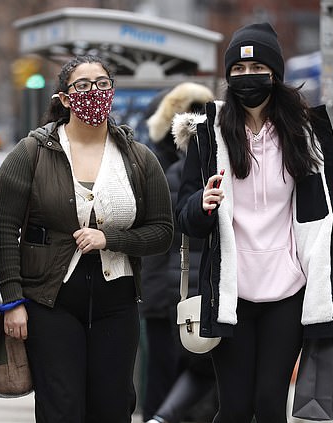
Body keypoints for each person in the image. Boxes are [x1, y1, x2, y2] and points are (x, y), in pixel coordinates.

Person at [172, 23, 333, 423]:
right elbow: (184, 217)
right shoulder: (209, 134)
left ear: (274, 72)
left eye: (256, 67)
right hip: (230, 291)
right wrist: (202, 204)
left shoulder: (305, 134)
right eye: (237, 70)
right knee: (236, 407)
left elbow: (323, 219)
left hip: (287, 291)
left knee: (271, 404)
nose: (246, 77)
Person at [0, 54, 173, 423]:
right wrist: (13, 299)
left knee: (112, 406)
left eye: (103, 84)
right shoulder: (33, 152)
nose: (95, 92)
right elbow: (3, 229)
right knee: (61, 406)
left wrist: (111, 238)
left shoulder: (138, 158)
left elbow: (162, 232)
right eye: (83, 85)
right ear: (64, 98)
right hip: (50, 301)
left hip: (117, 301)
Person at [140, 82, 218, 423]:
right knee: (199, 372)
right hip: (189, 293)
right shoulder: (197, 173)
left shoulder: (156, 167)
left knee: (160, 375)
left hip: (159, 292)